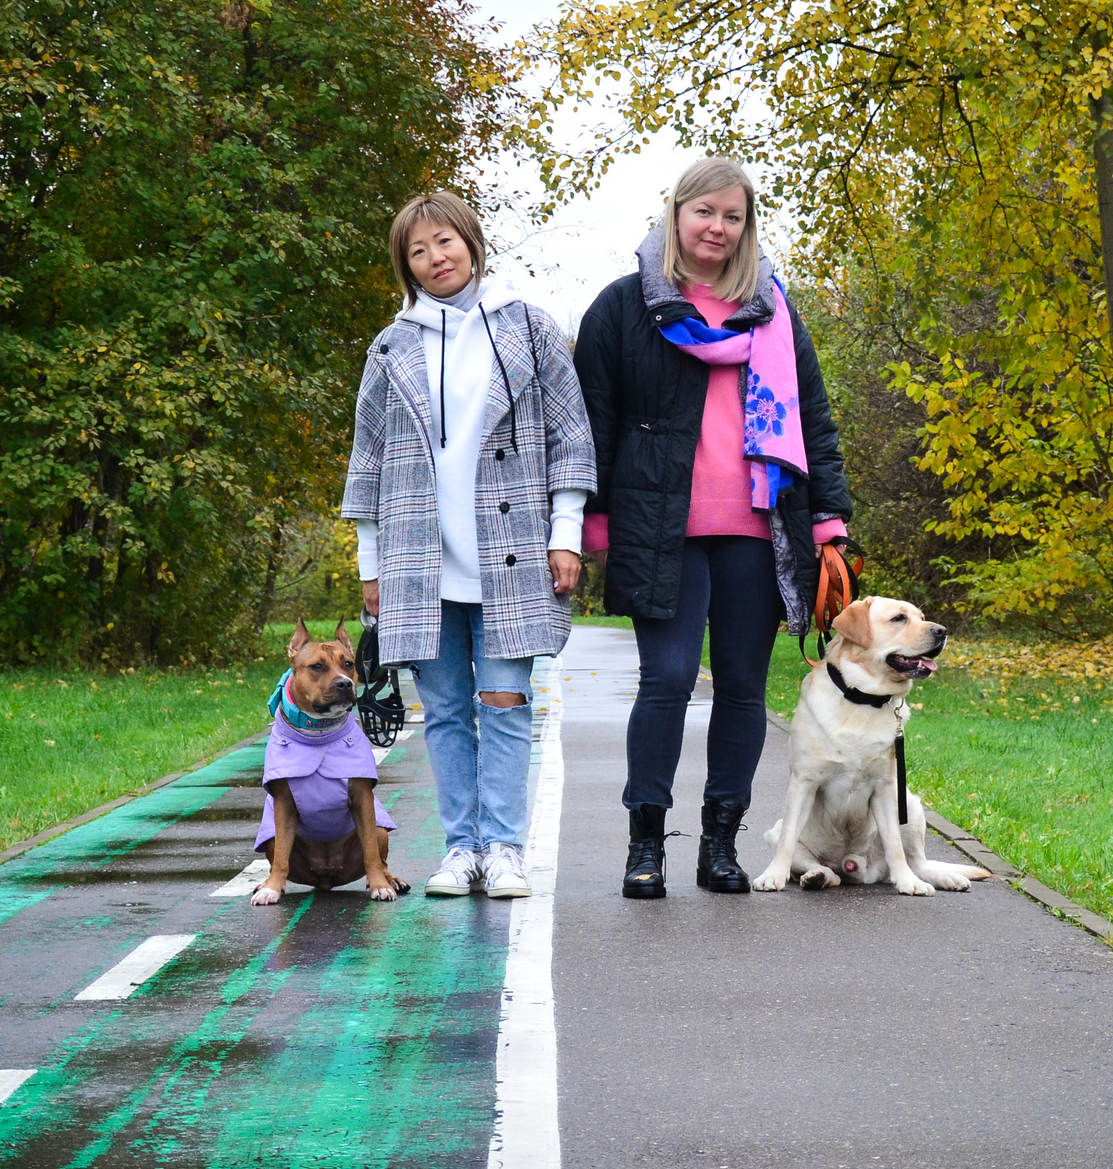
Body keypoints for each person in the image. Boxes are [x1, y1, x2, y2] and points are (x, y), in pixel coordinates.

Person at [574, 157, 852, 898]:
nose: (717, 229)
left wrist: (828, 520)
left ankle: (720, 846)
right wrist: (587, 515)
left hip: (761, 528)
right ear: (676, 214)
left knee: (740, 686)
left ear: (746, 226)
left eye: (733, 217)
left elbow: (814, 424)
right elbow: (591, 421)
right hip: (657, 524)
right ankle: (645, 847)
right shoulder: (621, 308)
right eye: (705, 213)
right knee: (664, 681)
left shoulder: (774, 311)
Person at [344, 191, 594, 898]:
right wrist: (372, 565)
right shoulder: (390, 346)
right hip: (417, 562)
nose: (435, 259)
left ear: (471, 242)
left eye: (444, 242)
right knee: (447, 711)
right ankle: (461, 848)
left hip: (512, 555)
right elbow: (367, 460)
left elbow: (570, 438)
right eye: (418, 251)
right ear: (406, 266)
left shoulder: (529, 329)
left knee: (506, 702)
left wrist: (565, 534)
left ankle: (505, 848)